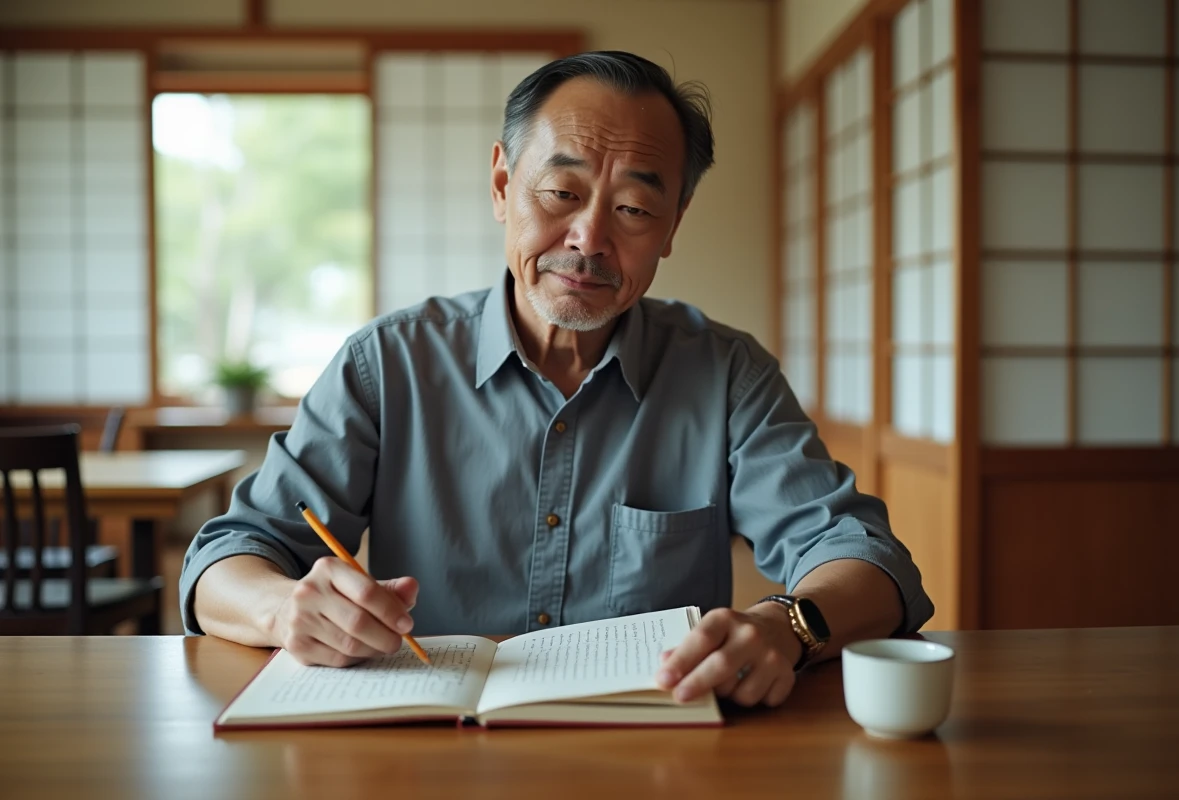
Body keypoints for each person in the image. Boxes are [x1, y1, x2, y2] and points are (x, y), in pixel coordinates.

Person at [181, 50, 933, 709]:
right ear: (504, 185)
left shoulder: (724, 372)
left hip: (655, 749)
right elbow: (230, 555)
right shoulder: (388, 364)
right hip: (430, 748)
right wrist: (285, 609)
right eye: (561, 194)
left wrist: (786, 625)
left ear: (673, 224)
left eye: (635, 207)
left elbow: (865, 558)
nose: (589, 239)